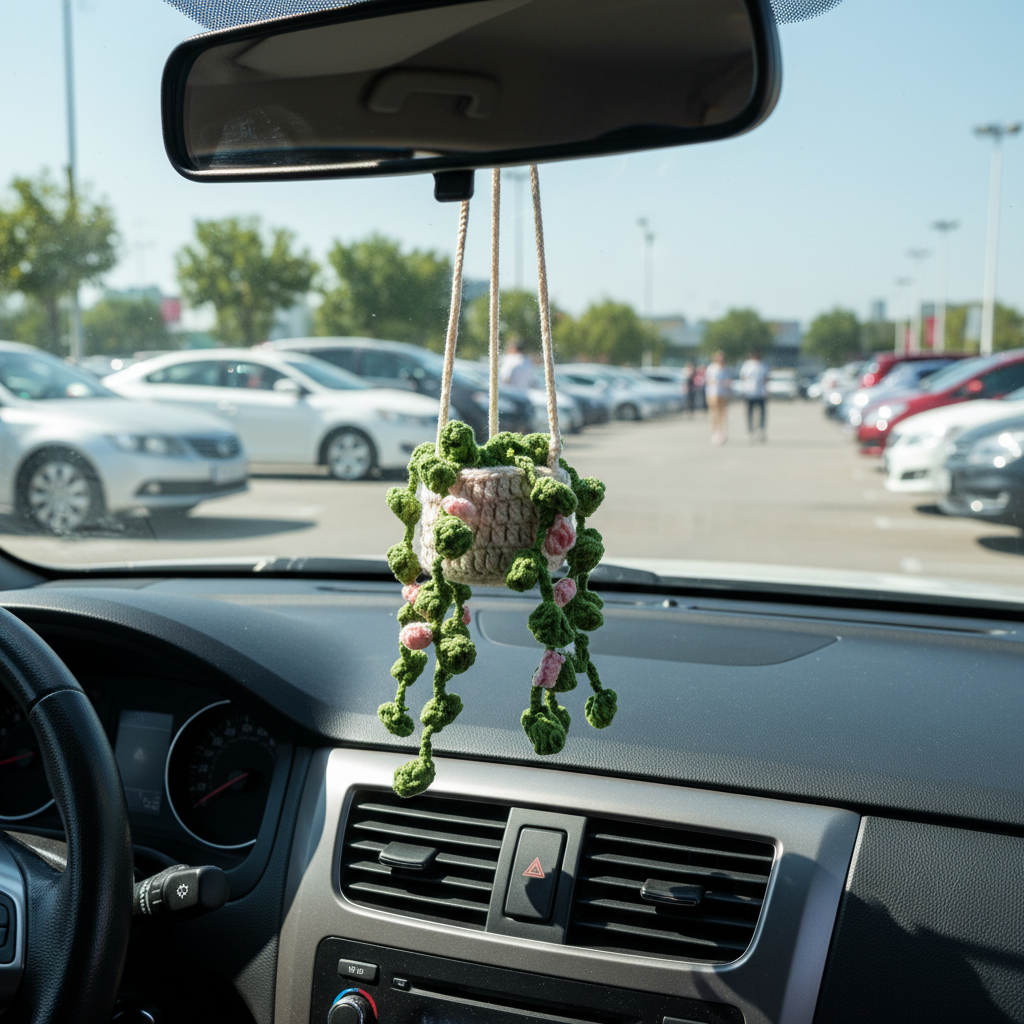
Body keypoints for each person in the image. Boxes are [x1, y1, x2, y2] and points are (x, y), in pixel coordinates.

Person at [739, 348, 769, 442]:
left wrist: (767, 390)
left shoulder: (763, 365)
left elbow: (766, 378)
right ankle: (750, 431)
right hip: (750, 392)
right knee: (750, 413)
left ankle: (760, 430)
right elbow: (743, 377)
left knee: (761, 413)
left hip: (760, 392)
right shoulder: (747, 365)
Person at [704, 351, 731, 444]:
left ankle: (723, 431)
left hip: (723, 393)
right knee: (714, 412)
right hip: (712, 393)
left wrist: (727, 383)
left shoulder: (726, 368)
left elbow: (729, 380)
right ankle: (715, 432)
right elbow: (707, 380)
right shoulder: (711, 368)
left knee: (722, 413)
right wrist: (715, 382)